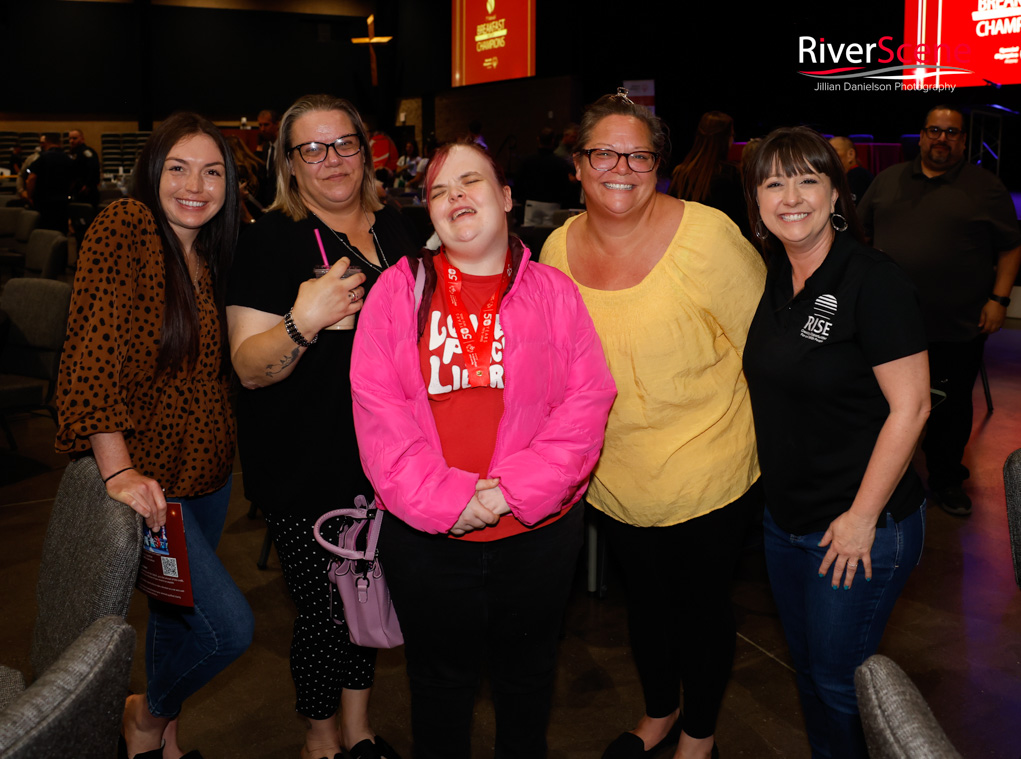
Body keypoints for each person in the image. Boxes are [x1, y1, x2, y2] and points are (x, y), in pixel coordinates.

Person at [350, 140, 616, 759]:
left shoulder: (554, 292)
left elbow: (587, 402)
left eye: (470, 182)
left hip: (537, 535)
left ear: (505, 199)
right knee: (439, 690)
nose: (454, 198)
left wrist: (508, 493)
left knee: (526, 685)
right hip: (427, 539)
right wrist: (449, 498)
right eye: (440, 191)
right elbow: (378, 410)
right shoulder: (397, 291)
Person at [540, 90, 766, 759]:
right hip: (613, 474)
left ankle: (699, 734)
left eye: (638, 154)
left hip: (709, 466)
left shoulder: (707, 235)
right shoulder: (555, 248)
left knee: (701, 607)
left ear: (658, 165)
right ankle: (659, 712)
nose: (621, 165)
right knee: (642, 602)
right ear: (576, 165)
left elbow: (763, 347)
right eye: (603, 152)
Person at [226, 94, 420, 759]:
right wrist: (302, 322)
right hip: (307, 464)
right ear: (289, 161)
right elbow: (249, 367)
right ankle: (321, 740)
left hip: (389, 460)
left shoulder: (397, 228)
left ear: (367, 152)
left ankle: (361, 729)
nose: (330, 159)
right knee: (324, 616)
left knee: (370, 596)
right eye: (312, 148)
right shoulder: (270, 239)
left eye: (343, 144)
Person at [55, 111, 252, 759]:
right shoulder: (127, 226)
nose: (195, 184)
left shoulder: (210, 254)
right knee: (228, 629)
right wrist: (116, 469)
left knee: (174, 620)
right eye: (178, 167)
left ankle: (162, 743)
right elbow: (92, 353)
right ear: (151, 172)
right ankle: (145, 713)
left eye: (213, 171)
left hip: (208, 477)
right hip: (149, 485)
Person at [742, 127, 930, 759]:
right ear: (757, 202)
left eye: (807, 179)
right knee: (814, 676)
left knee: (842, 683)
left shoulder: (873, 280)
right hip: (787, 519)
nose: (790, 196)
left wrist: (860, 519)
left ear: (834, 191)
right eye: (773, 182)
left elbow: (912, 407)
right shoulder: (773, 276)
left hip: (859, 525)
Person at [857, 105, 1021, 517]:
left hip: (958, 323)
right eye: (935, 130)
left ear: (963, 140)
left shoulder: (986, 188)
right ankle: (883, 480)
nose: (942, 139)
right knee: (881, 404)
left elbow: (1011, 247)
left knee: (950, 410)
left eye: (952, 133)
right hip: (889, 324)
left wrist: (999, 300)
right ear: (922, 134)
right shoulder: (888, 180)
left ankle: (947, 480)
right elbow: (861, 237)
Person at [668, 111, 749, 238]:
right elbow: (741, 224)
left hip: (689, 245)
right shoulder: (731, 174)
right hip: (721, 248)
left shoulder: (681, 174)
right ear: (726, 138)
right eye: (732, 135)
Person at [25, 132, 72, 231]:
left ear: (46, 143)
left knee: (44, 233)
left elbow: (31, 178)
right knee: (61, 233)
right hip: (62, 203)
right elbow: (74, 180)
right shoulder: (68, 159)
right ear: (60, 143)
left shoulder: (42, 158)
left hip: (44, 203)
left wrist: (29, 196)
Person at [828, 136, 873, 204]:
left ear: (850, 154)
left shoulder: (860, 176)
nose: (828, 156)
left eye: (834, 151)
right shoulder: (834, 178)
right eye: (827, 152)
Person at [68, 128, 101, 206]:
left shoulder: (86, 152)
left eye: (74, 138)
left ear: (82, 139)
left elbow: (94, 168)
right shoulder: (72, 153)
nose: (71, 141)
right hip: (76, 190)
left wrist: (88, 185)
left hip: (88, 191)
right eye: (70, 138)